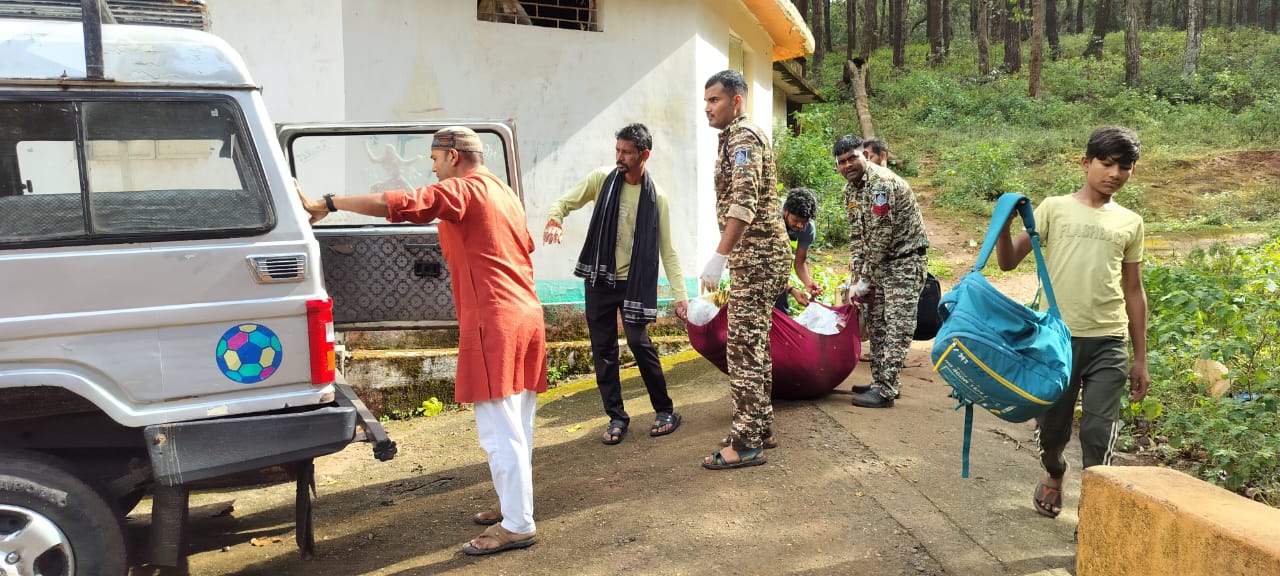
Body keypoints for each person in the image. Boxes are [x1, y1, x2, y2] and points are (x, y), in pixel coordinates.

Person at [296, 127, 546, 556]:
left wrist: (330, 203)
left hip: (495, 320)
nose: (431, 167)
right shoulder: (503, 192)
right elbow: (523, 247)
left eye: (433, 158)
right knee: (516, 425)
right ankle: (512, 506)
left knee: (498, 432)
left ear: (451, 156)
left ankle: (519, 524)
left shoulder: (463, 190)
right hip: (525, 314)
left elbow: (401, 205)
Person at [994, 126, 1149, 520]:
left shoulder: (1130, 222)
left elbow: (1134, 290)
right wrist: (1006, 223)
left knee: (1099, 433)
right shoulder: (1053, 208)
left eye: (1125, 167)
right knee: (1052, 430)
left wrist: (1140, 357)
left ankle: (1093, 517)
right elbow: (1009, 261)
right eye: (1107, 163)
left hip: (1108, 341)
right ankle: (1054, 470)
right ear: (1086, 163)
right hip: (1056, 342)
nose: (1115, 173)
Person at [543, 123, 689, 446]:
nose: (620, 157)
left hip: (634, 284)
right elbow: (567, 202)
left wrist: (681, 297)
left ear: (644, 155)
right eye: (618, 151)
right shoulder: (601, 180)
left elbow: (668, 250)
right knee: (603, 350)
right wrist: (556, 218)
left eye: (627, 152)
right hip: (600, 280)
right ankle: (616, 416)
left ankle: (665, 410)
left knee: (639, 342)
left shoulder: (657, 198)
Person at [699, 69, 792, 470]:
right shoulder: (735, 138)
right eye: (705, 101)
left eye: (715, 100)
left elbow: (744, 201)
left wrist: (719, 256)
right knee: (753, 342)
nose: (707, 108)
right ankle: (760, 426)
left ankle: (749, 440)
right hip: (757, 256)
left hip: (758, 257)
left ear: (736, 101)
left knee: (742, 345)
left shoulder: (743, 138)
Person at [836, 134, 929, 408]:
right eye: (841, 162)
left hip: (904, 261)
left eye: (853, 157)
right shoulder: (850, 191)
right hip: (879, 263)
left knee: (897, 325)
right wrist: (857, 277)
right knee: (877, 323)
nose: (847, 165)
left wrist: (866, 276)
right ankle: (880, 380)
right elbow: (857, 236)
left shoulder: (882, 183)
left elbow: (881, 234)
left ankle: (887, 390)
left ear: (864, 155)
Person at [775, 187, 822, 312]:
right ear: (785, 211)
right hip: (755, 261)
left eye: (804, 222)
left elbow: (800, 263)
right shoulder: (771, 218)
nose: (800, 226)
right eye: (795, 221)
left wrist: (808, 283)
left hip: (777, 269)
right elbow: (765, 266)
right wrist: (791, 289)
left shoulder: (808, 228)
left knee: (781, 312)